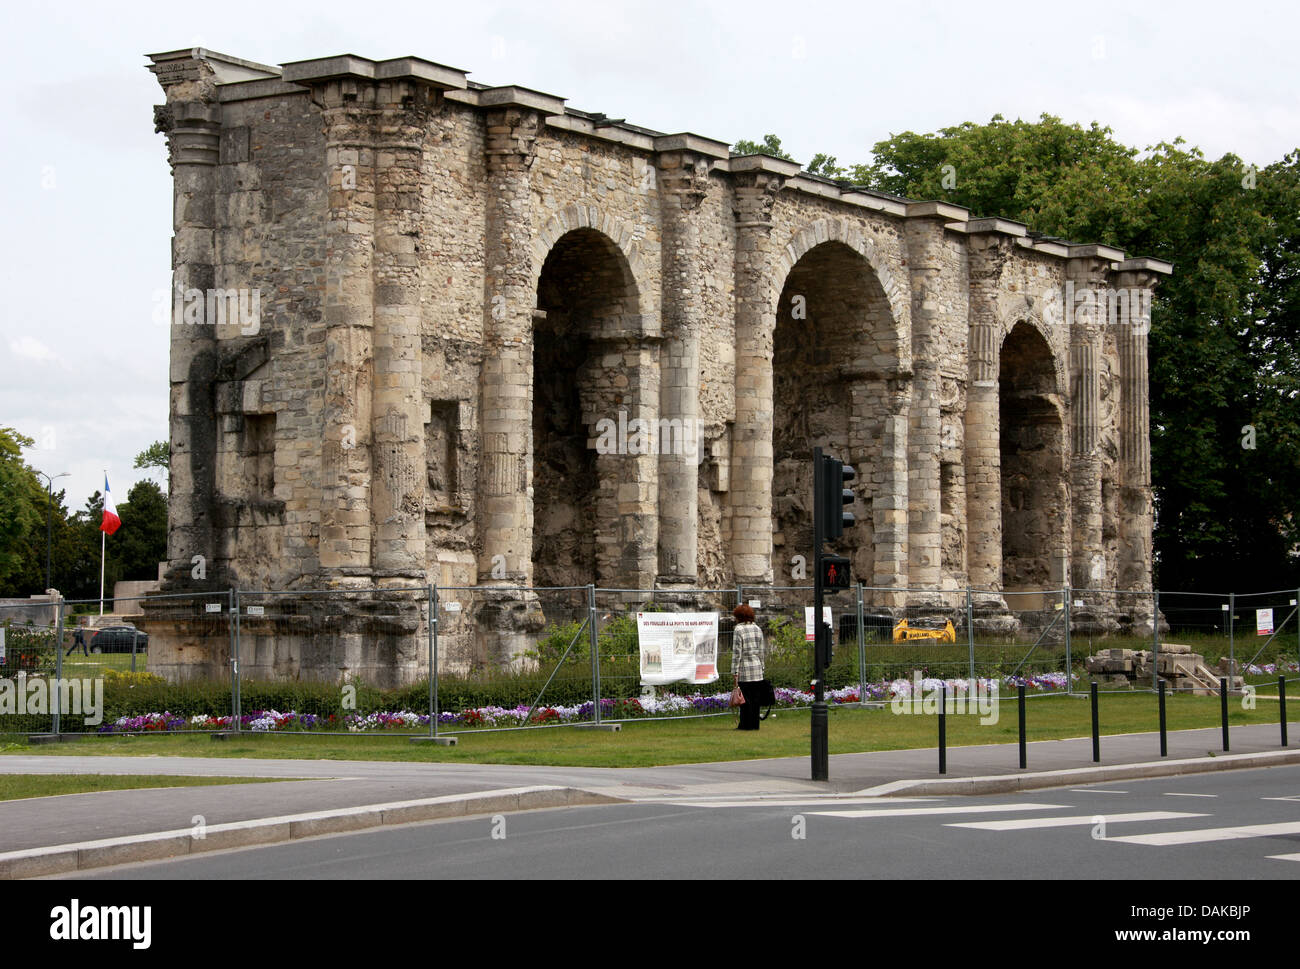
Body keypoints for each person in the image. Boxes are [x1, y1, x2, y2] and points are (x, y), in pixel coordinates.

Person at [731, 604, 767, 731]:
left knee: (745, 699)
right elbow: (762, 650)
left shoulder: (738, 630)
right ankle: (754, 724)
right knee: (755, 699)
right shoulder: (757, 628)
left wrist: (734, 671)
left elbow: (737, 653)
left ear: (739, 617)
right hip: (757, 667)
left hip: (745, 668)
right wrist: (762, 667)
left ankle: (745, 725)